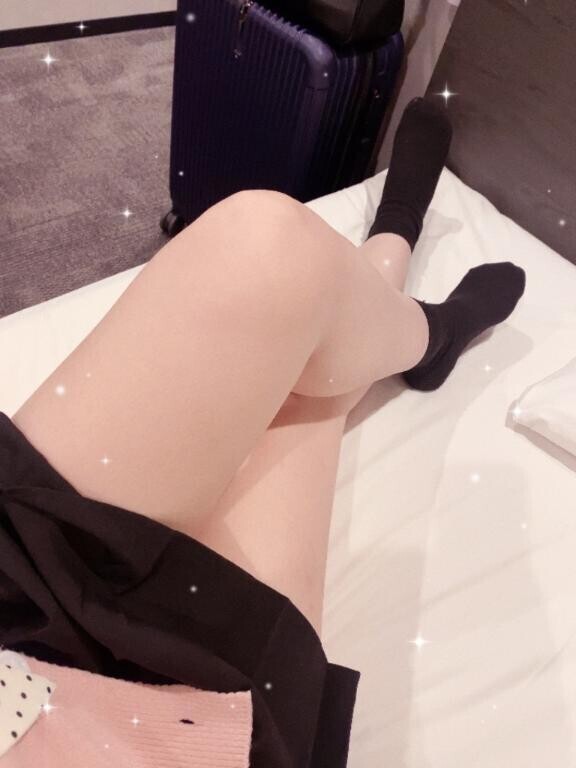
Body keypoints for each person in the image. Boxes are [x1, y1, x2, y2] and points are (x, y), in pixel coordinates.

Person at [0, 97, 525, 767]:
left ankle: (416, 305)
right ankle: (418, 291)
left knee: (267, 247)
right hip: (141, 732)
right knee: (306, 397)